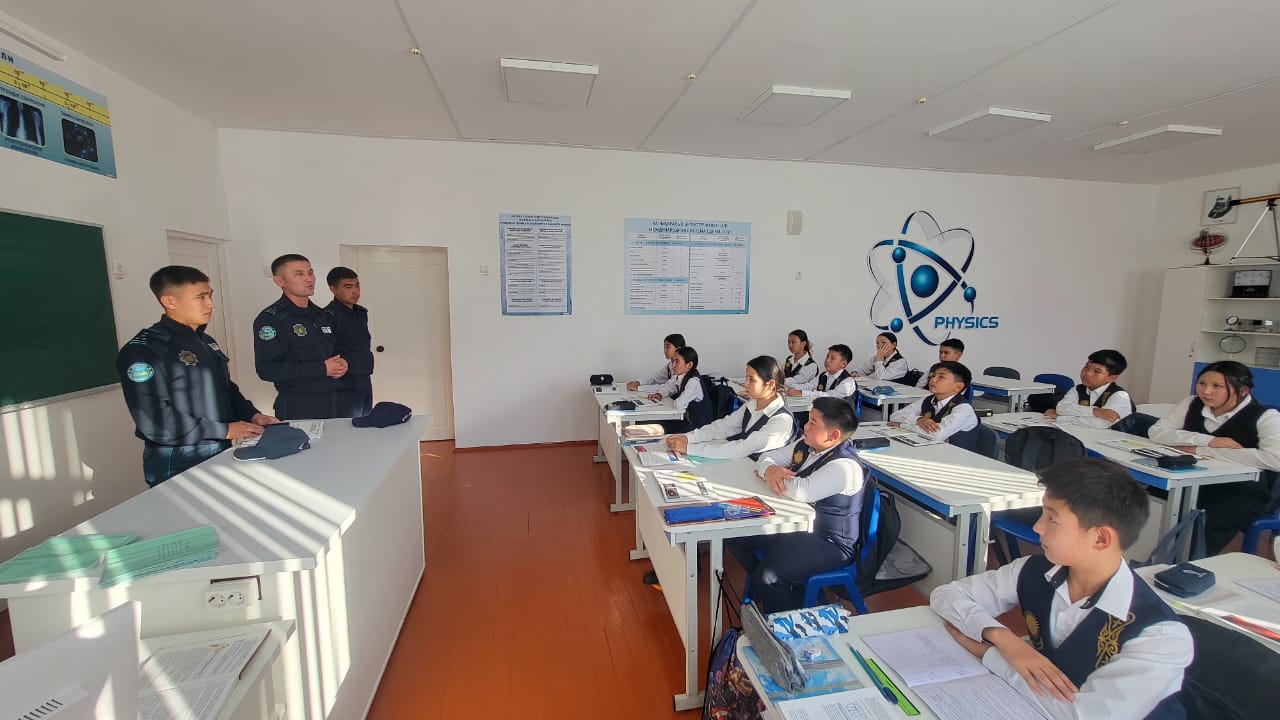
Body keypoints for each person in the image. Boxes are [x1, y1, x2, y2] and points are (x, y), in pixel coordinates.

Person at [930, 458, 1192, 720]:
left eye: (1052, 519)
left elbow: (1082, 715)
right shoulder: (1034, 570)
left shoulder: (1161, 637)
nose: (1037, 527)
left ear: (1101, 538)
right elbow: (947, 595)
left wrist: (991, 655)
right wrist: (1002, 637)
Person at [117, 266, 278, 487]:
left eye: (210, 295)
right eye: (200, 297)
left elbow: (225, 388)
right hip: (179, 456)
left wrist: (253, 415)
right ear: (169, 301)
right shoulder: (146, 349)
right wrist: (224, 430)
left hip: (219, 446)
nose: (210, 304)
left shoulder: (205, 341)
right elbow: (155, 420)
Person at [727, 397, 865, 613]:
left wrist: (770, 473)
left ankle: (783, 618)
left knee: (771, 576)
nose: (805, 427)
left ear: (834, 435)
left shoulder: (844, 466)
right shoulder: (807, 444)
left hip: (829, 541)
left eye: (813, 423)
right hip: (799, 525)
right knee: (734, 534)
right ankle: (774, 587)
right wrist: (770, 469)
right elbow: (767, 457)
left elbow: (802, 490)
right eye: (808, 420)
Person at [1148, 361, 1280, 554]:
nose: (1206, 391)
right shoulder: (1192, 403)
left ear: (1242, 391)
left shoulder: (1266, 416)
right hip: (1188, 478)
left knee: (1202, 525)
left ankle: (1183, 564)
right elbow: (1157, 432)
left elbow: (1275, 459)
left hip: (1240, 490)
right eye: (1202, 383)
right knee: (1150, 504)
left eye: (1217, 386)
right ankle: (1146, 558)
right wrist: (1209, 440)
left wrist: (1199, 450)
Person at [253, 254, 345, 420]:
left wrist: (342, 363)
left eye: (310, 273)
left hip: (332, 399)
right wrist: (322, 368)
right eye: (299, 274)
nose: (308, 279)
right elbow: (267, 369)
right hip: (298, 404)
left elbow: (333, 351)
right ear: (279, 281)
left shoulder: (321, 315)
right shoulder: (271, 319)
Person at [666, 355, 795, 460]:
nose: (746, 384)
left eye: (752, 380)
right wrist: (688, 437)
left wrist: (689, 448)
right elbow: (723, 427)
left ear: (771, 384)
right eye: (746, 378)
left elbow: (742, 448)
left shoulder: (782, 420)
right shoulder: (752, 404)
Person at [324, 266, 374, 418]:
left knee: (366, 421)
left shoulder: (360, 313)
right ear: (333, 289)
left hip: (364, 376)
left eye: (357, 286)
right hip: (345, 381)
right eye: (348, 287)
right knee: (347, 424)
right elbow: (327, 350)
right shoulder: (328, 316)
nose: (355, 291)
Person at [890, 361, 978, 446]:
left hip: (956, 454)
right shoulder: (928, 399)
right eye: (933, 376)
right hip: (930, 448)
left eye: (941, 377)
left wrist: (901, 425)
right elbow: (895, 416)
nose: (933, 380)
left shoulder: (963, 409)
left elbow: (936, 435)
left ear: (958, 387)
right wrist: (918, 420)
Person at [1044, 350, 1133, 430]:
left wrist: (1059, 417)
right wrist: (1094, 412)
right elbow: (1061, 408)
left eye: (1097, 371)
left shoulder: (1120, 396)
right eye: (1087, 367)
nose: (1088, 373)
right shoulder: (1078, 389)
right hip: (1083, 432)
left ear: (1112, 378)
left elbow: (1100, 423)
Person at [639, 346, 710, 432]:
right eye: (673, 361)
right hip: (684, 418)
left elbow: (679, 405)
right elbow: (668, 388)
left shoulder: (693, 382)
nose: (673, 365)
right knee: (643, 422)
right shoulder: (679, 376)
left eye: (677, 361)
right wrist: (659, 394)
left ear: (689, 365)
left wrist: (669, 400)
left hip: (695, 424)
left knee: (652, 427)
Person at [787, 344, 857, 399]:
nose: (827, 360)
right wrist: (794, 388)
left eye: (832, 358)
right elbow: (809, 385)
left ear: (843, 364)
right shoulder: (823, 375)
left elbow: (829, 396)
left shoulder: (848, 382)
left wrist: (802, 393)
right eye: (827, 357)